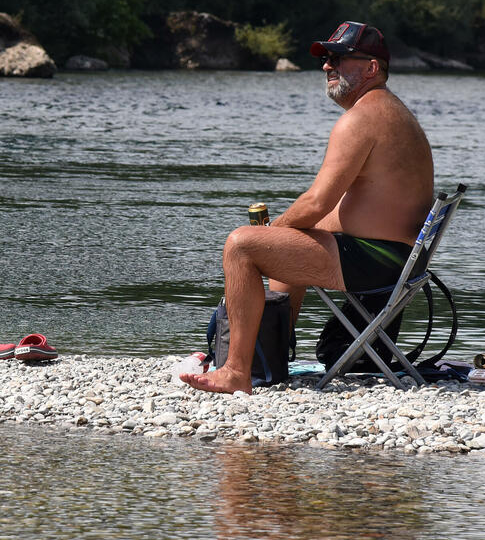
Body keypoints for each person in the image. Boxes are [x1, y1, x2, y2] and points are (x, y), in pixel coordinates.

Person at [181, 21, 434, 394]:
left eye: (340, 58)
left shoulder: (361, 119)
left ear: (371, 68)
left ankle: (236, 371)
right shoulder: (391, 112)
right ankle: (270, 356)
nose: (327, 66)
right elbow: (346, 209)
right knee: (287, 241)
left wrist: (273, 231)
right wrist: (288, 232)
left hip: (377, 262)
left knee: (241, 245)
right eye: (327, 58)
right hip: (396, 260)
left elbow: (317, 202)